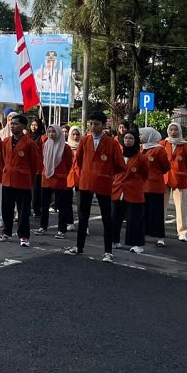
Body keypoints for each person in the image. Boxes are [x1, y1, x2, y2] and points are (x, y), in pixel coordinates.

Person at [66, 111, 125, 262]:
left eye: (96, 124)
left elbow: (119, 165)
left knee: (107, 217)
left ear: (103, 125)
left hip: (104, 183)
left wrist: (107, 173)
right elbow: (78, 160)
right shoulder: (85, 140)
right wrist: (85, 174)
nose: (93, 127)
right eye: (91, 124)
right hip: (86, 182)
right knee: (83, 216)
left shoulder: (111, 143)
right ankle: (79, 247)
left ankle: (108, 251)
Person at [0, 113, 41, 246]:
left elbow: (34, 164)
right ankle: (6, 232)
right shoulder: (6, 141)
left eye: (16, 124)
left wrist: (29, 178)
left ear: (23, 126)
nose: (12, 126)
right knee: (7, 208)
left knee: (23, 210)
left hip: (23, 181)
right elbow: (3, 158)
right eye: (11, 123)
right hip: (8, 179)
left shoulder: (30, 143)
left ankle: (24, 236)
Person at [111, 130, 149, 253]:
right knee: (115, 217)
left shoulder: (141, 158)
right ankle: (114, 240)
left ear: (135, 141)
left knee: (134, 219)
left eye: (131, 138)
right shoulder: (118, 154)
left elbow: (145, 175)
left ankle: (137, 244)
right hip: (117, 190)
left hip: (133, 192)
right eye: (126, 138)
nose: (128, 140)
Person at [39, 123, 74, 238]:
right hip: (46, 178)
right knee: (44, 204)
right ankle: (43, 226)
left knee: (61, 205)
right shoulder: (46, 145)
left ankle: (61, 229)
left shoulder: (65, 147)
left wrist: (62, 173)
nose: (51, 134)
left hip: (59, 179)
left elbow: (69, 163)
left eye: (53, 132)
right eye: (49, 132)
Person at [161, 122, 187, 242]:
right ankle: (160, 230)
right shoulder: (163, 143)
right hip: (164, 178)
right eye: (171, 130)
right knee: (162, 206)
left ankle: (182, 232)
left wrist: (183, 173)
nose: (173, 132)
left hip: (179, 178)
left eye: (175, 130)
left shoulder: (186, 146)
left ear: (179, 131)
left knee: (181, 206)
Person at [140, 127, 172, 247]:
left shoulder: (159, 150)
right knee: (143, 212)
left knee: (157, 213)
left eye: (142, 135)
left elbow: (166, 167)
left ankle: (160, 237)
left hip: (155, 185)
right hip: (142, 185)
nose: (140, 137)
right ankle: (142, 233)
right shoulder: (141, 148)